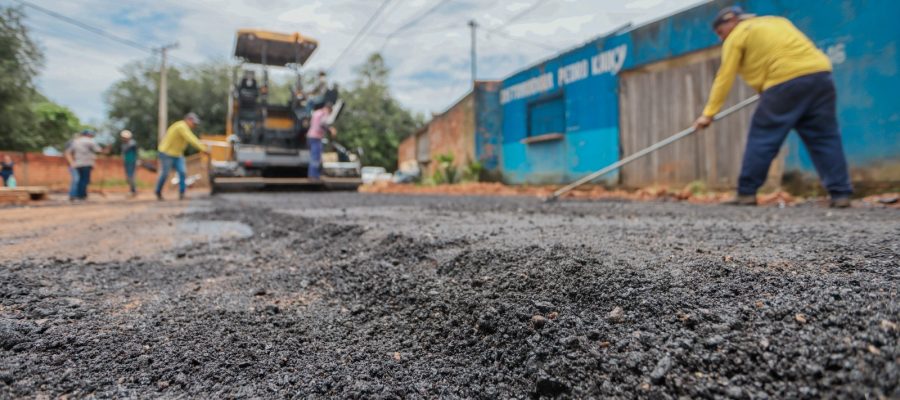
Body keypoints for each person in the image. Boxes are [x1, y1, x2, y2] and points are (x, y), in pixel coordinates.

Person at [693, 6, 853, 208]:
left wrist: (708, 114)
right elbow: (785, 51)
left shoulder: (737, 35)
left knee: (763, 137)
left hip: (783, 81)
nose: (720, 37)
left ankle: (746, 192)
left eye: (720, 32)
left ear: (731, 22)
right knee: (824, 138)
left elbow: (724, 77)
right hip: (820, 76)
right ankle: (840, 193)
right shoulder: (777, 22)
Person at [155, 112, 208, 201]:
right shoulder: (181, 126)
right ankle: (158, 191)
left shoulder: (185, 128)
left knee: (182, 172)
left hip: (178, 154)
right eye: (193, 123)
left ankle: (182, 193)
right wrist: (203, 149)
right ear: (188, 120)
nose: (194, 125)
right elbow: (191, 138)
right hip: (166, 153)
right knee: (165, 173)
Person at [64, 129, 106, 201]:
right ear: (89, 135)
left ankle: (77, 195)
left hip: (77, 164)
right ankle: (81, 195)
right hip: (86, 163)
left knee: (78, 180)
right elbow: (99, 150)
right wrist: (106, 150)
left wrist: (72, 163)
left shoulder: (75, 141)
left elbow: (67, 152)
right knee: (84, 180)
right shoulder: (90, 141)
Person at [307, 102, 336, 181]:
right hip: (316, 137)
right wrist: (330, 130)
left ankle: (313, 174)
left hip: (311, 136)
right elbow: (323, 124)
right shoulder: (324, 113)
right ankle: (314, 176)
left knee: (314, 156)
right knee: (316, 157)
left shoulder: (316, 112)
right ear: (329, 109)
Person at [120, 130, 138, 196]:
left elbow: (132, 147)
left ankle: (133, 190)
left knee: (130, 176)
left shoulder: (132, 143)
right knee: (128, 177)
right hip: (127, 162)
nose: (123, 139)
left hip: (132, 162)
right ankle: (132, 190)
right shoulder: (124, 144)